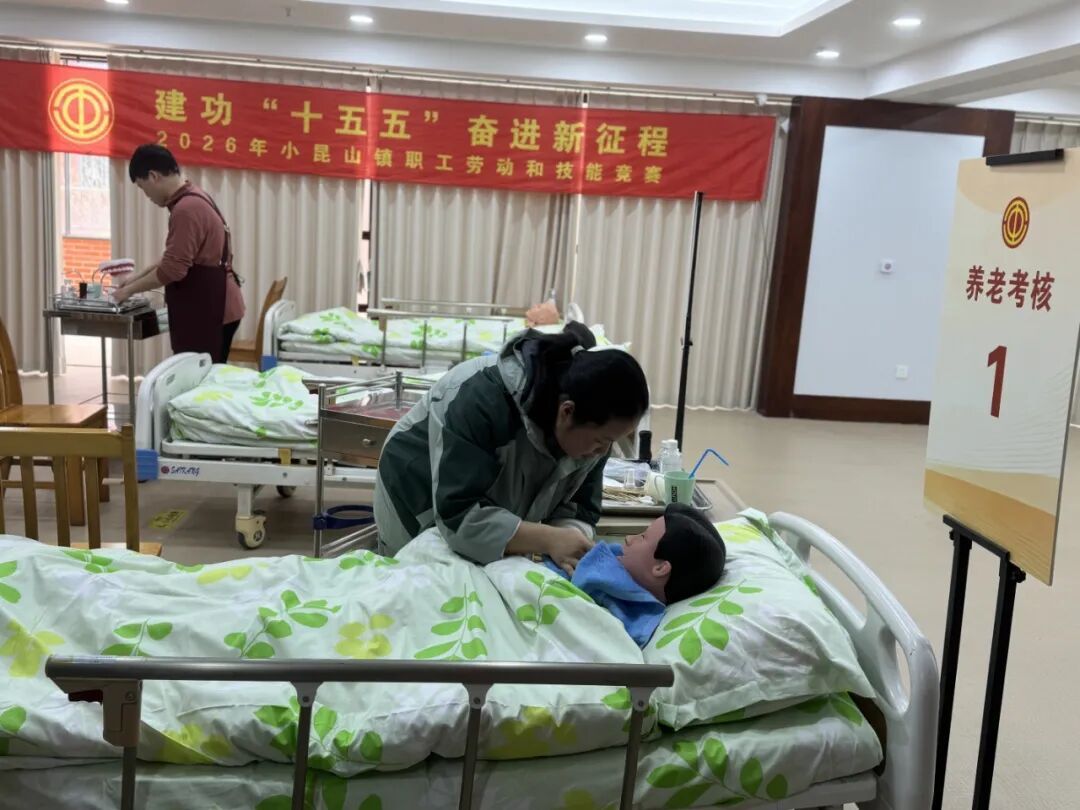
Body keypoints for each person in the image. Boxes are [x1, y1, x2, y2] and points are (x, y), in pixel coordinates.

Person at [374, 322, 649, 574]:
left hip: (476, 518)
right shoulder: (480, 402)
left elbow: (579, 507)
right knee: (423, 583)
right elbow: (458, 516)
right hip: (416, 496)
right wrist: (548, 539)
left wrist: (569, 541)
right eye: (602, 441)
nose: (603, 452)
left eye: (612, 441)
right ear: (567, 412)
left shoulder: (592, 433)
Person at [112, 144, 245, 363]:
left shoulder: (186, 209)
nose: (147, 196)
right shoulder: (195, 196)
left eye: (143, 188)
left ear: (153, 176)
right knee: (202, 374)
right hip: (216, 304)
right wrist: (134, 279)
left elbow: (173, 270)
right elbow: (173, 258)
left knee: (199, 377)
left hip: (212, 309)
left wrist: (126, 292)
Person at [543, 502, 727, 646]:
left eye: (643, 537)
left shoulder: (632, 620)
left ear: (660, 568)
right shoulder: (615, 558)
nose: (629, 538)